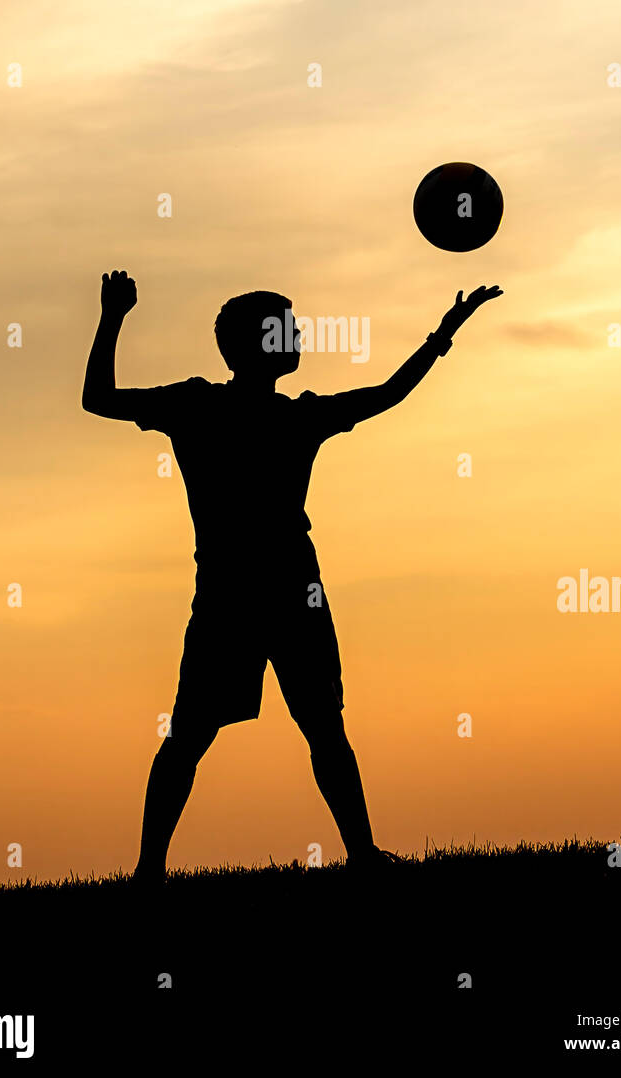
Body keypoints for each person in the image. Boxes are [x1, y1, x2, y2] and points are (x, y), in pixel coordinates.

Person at [82, 271, 502, 884]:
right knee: (214, 734)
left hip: (269, 593)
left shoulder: (247, 412)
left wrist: (443, 335)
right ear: (252, 344)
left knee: (296, 729)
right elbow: (99, 399)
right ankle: (152, 869)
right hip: (251, 595)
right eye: (285, 328)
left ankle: (350, 854)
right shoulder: (217, 408)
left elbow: (385, 393)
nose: (297, 335)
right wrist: (112, 315)